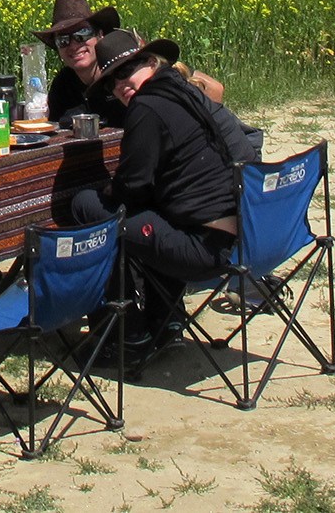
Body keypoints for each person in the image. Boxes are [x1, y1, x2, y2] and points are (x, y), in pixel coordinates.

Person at [68, 29, 262, 362]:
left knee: (87, 206)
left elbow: (131, 187)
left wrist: (106, 190)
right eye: (113, 81)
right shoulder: (186, 90)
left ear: (150, 62)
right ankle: (165, 320)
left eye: (128, 71)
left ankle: (126, 337)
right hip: (245, 236)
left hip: (203, 251)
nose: (121, 85)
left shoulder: (146, 107)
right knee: (151, 212)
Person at [33, 0, 127, 129]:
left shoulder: (122, 75)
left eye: (82, 34)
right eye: (63, 40)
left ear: (100, 36)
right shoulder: (63, 84)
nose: (73, 46)